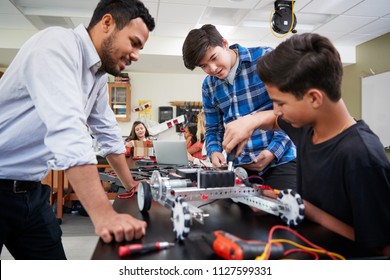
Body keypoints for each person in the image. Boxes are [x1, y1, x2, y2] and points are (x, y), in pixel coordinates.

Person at [0, 0, 155, 260]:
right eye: (134, 42)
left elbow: (106, 131)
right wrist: (104, 215)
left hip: (30, 191)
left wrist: (131, 185)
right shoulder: (56, 44)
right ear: (107, 23)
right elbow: (68, 130)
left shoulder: (97, 75)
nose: (137, 54)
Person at [222, 33, 390, 256]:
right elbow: (274, 121)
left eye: (280, 102)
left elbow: (380, 247)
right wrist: (250, 122)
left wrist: (306, 209)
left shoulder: (361, 155)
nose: (276, 110)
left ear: (314, 98)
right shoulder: (307, 127)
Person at [182, 24, 297, 189]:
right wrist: (214, 152)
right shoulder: (209, 86)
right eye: (204, 66)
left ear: (224, 43)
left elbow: (291, 113)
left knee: (284, 210)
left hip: (281, 161)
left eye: (214, 58)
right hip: (239, 169)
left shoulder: (266, 58)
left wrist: (272, 152)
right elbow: (213, 129)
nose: (212, 69)